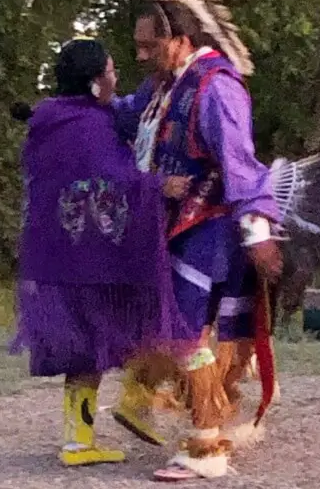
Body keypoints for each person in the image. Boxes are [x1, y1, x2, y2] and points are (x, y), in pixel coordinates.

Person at [107, 0, 283, 482]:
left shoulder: (216, 89)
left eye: (146, 46)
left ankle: (208, 448)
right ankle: (196, 422)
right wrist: (75, 108)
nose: (139, 56)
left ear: (180, 40)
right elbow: (124, 116)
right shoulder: (166, 84)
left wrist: (259, 232)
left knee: (186, 332)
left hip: (209, 229)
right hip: (176, 226)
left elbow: (242, 167)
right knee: (175, 328)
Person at [11, 38, 193, 467]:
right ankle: (136, 399)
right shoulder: (87, 125)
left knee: (87, 352)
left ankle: (79, 442)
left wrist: (162, 78)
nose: (116, 78)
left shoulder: (57, 117)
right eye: (110, 71)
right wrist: (158, 186)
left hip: (56, 254)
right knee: (123, 331)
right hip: (87, 260)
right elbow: (108, 182)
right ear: (95, 82)